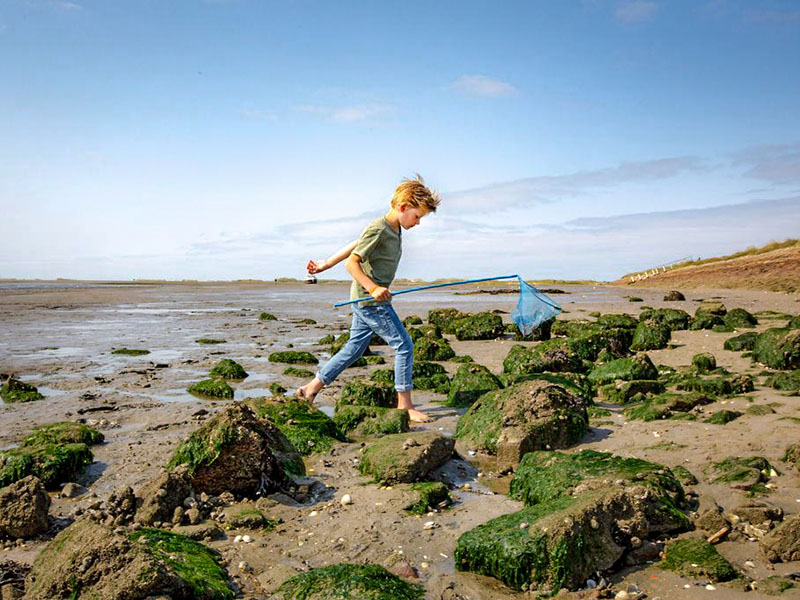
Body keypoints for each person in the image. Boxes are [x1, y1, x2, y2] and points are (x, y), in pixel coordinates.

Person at [296, 175, 440, 423]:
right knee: (404, 345)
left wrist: (326, 263)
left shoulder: (393, 229)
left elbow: (357, 244)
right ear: (404, 207)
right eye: (417, 217)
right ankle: (404, 406)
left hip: (366, 300)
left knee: (354, 348)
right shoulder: (379, 228)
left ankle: (310, 389)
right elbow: (353, 264)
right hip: (371, 301)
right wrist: (373, 287)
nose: (417, 223)